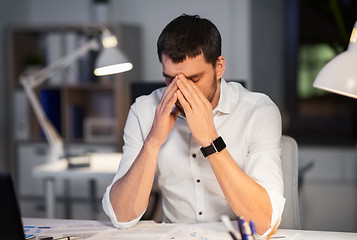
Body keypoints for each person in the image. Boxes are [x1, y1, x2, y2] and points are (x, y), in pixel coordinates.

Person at [102, 14, 285, 235]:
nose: (180, 91)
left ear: (219, 67)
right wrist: (152, 142)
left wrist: (210, 140)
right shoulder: (144, 111)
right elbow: (121, 217)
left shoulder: (259, 112)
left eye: (193, 80)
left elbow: (265, 224)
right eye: (171, 79)